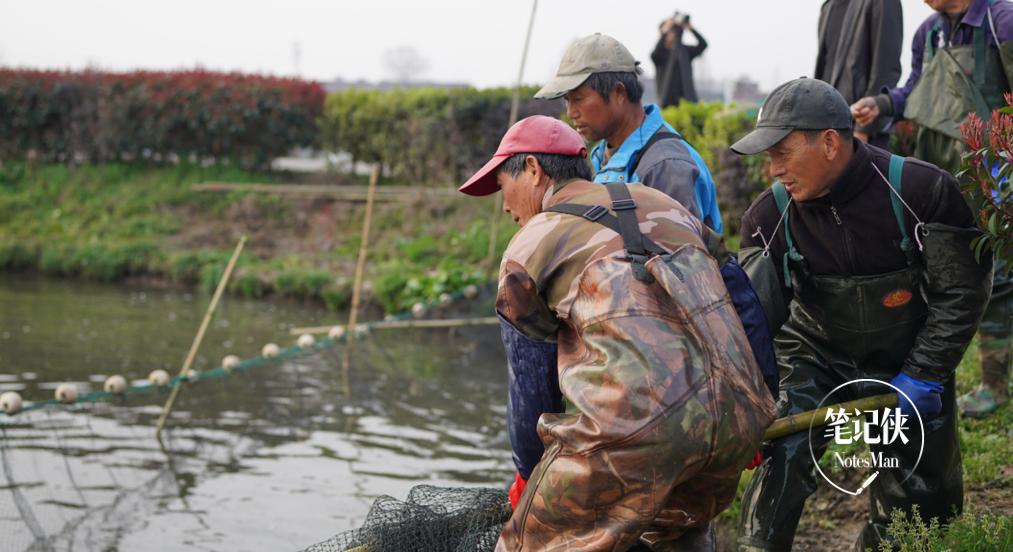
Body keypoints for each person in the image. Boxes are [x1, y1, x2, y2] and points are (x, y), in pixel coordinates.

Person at [459, 115, 776, 551]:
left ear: (533, 169)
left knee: (524, 544)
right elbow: (744, 302)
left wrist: (530, 475)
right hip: (734, 423)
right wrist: (758, 408)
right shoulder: (663, 206)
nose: (505, 205)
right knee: (678, 531)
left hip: (630, 435)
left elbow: (531, 384)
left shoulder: (532, 246)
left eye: (502, 185)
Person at [732, 78, 992, 551]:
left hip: (906, 360)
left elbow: (962, 291)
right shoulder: (767, 218)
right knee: (782, 461)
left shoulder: (920, 189)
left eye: (782, 153)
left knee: (915, 504)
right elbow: (752, 328)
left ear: (830, 142)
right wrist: (748, 404)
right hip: (815, 356)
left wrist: (924, 374)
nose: (773, 171)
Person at [851, 0, 1013, 418]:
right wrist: (883, 105)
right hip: (945, 175)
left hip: (998, 173)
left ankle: (994, 384)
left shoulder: (1001, 21)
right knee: (959, 274)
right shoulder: (929, 33)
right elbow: (918, 92)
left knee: (1000, 280)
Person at [534, 33, 724, 234]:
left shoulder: (664, 166)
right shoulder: (604, 154)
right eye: (567, 101)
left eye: (578, 99)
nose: (570, 112)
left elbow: (681, 259)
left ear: (619, 93)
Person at [814, 0, 903, 148]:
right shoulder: (828, 6)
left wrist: (863, 130)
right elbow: (824, 70)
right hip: (828, 128)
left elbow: (886, 69)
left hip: (862, 131)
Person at [651, 12, 708, 108]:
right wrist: (665, 31)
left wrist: (690, 28)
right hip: (666, 102)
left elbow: (703, 45)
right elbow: (654, 55)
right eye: (670, 31)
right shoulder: (660, 53)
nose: (672, 34)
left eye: (673, 30)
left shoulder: (684, 51)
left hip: (687, 101)